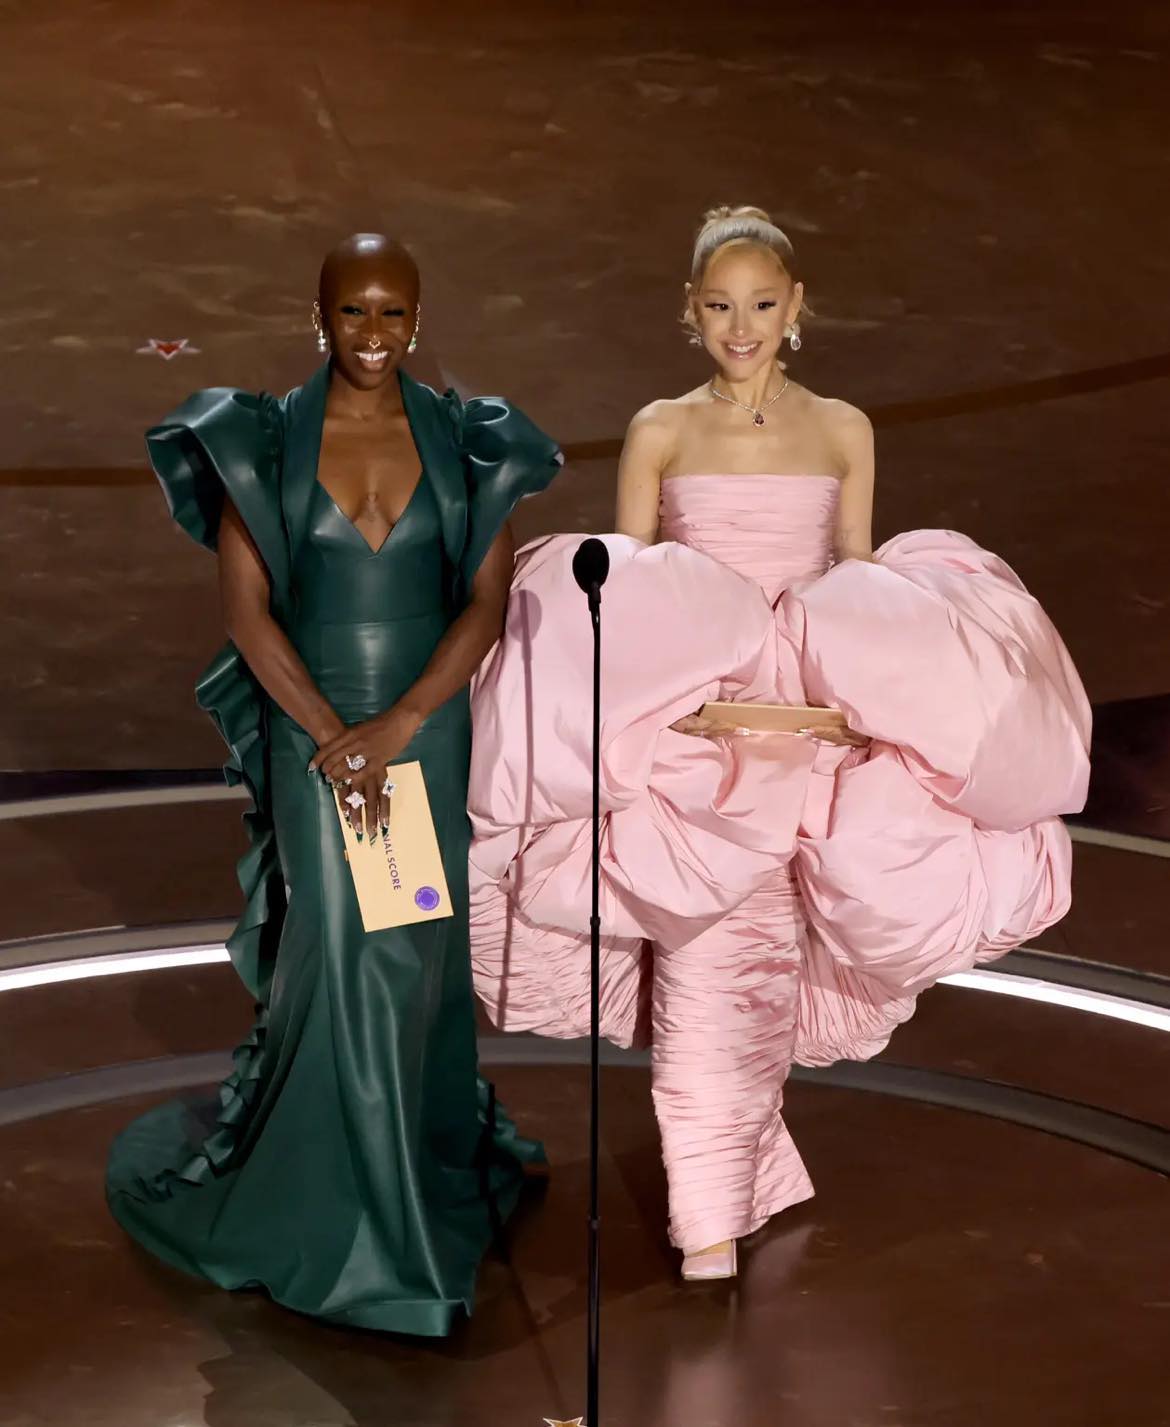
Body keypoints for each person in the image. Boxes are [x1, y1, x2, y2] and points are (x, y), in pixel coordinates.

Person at [467, 206, 1090, 1282]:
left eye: (761, 304)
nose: (741, 325)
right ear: (690, 311)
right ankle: (708, 1218)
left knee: (770, 967)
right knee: (716, 958)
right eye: (719, 306)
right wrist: (662, 703)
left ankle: (740, 1174)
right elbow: (632, 583)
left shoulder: (844, 427)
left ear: (796, 306)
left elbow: (854, 575)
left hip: (807, 719)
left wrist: (859, 700)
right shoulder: (660, 427)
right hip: (703, 735)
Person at [106, 233, 561, 1334]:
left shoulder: (465, 440)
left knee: (406, 957)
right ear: (319, 317)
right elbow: (246, 613)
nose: (373, 333)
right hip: (312, 735)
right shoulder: (262, 441)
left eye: (393, 313)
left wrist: (398, 727)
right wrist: (332, 736)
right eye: (353, 311)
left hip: (420, 733)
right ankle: (360, 1222)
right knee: (338, 954)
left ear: (418, 320)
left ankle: (404, 1179)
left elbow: (486, 604)